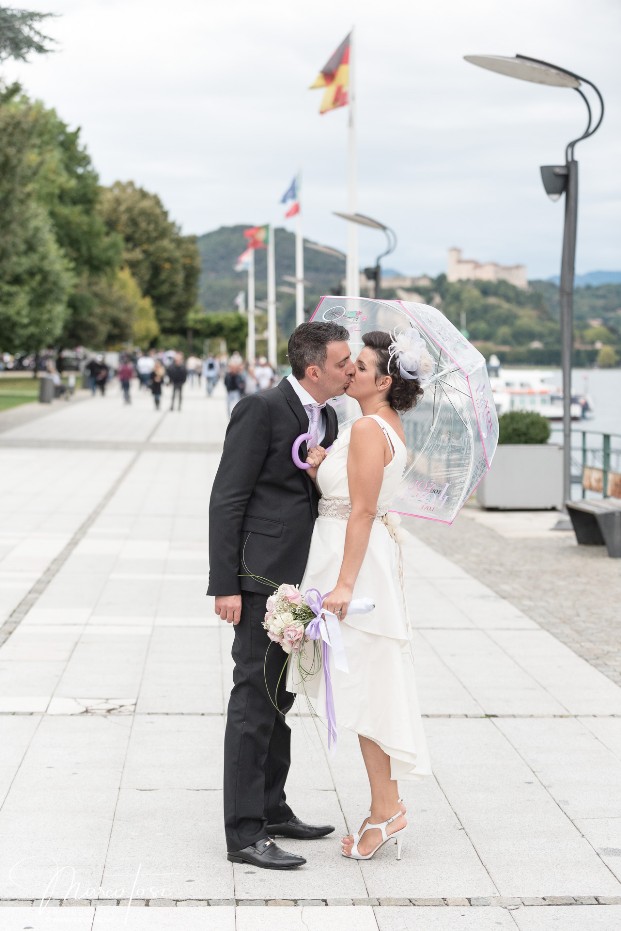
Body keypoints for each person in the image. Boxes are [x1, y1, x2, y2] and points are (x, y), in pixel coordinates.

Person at [208, 321, 355, 870]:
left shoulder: (330, 417)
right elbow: (227, 498)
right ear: (314, 369)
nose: (351, 370)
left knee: (280, 699)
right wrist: (225, 583)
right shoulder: (261, 409)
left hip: (303, 579)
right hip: (258, 576)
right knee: (253, 700)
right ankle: (244, 834)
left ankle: (272, 809)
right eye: (343, 362)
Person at [289, 331, 432, 862]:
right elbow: (350, 492)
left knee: (365, 690)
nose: (351, 371)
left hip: (356, 567)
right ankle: (385, 806)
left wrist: (345, 584)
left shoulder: (370, 428)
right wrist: (320, 465)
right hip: (350, 557)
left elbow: (363, 511)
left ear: (385, 381)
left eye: (363, 367)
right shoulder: (371, 424)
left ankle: (386, 810)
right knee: (364, 689)